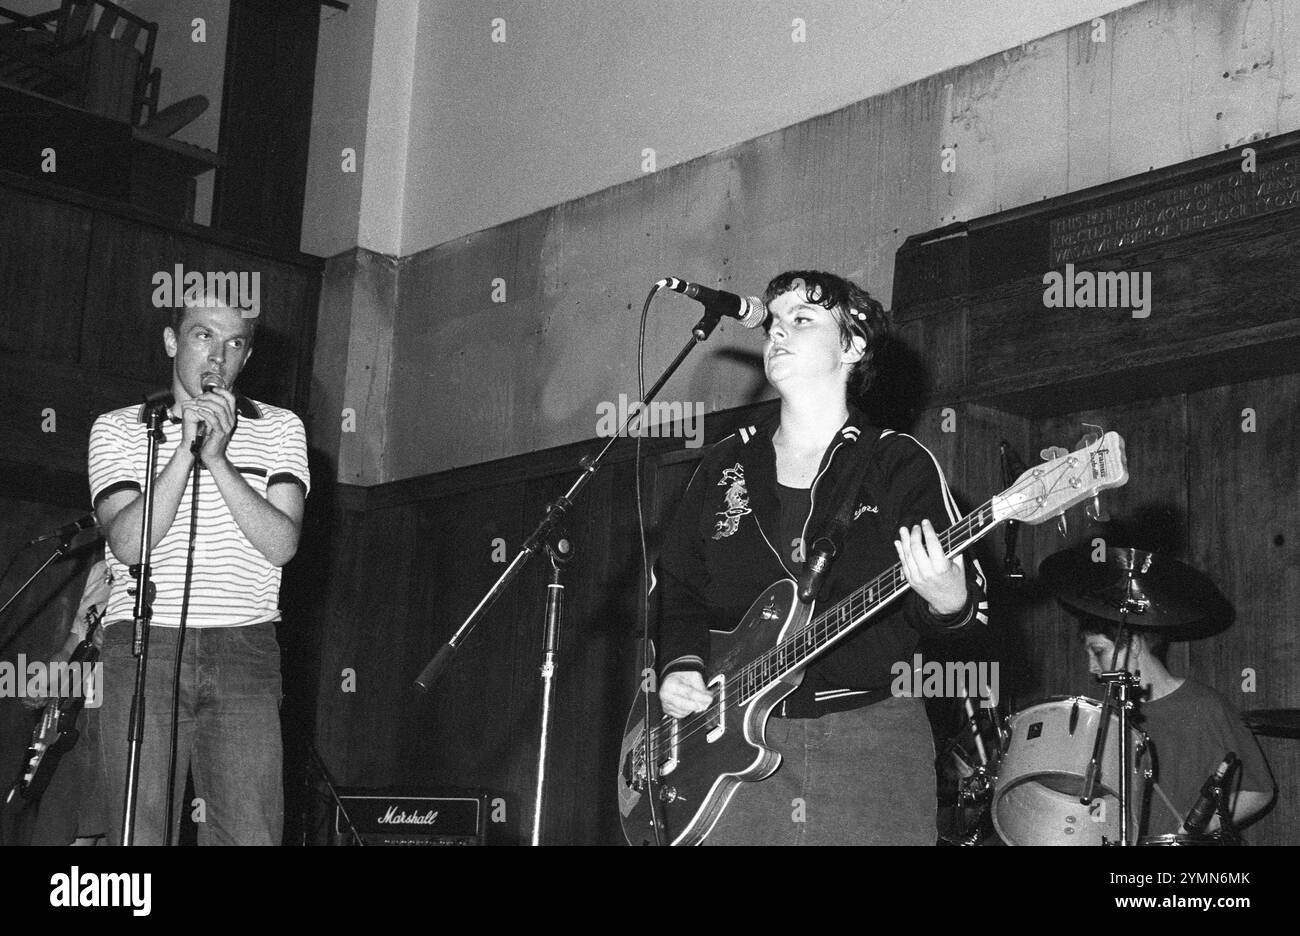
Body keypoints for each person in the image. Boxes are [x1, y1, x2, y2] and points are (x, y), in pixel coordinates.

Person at [655, 270, 988, 845]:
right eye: (774, 322)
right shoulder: (723, 464)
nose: (778, 333)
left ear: (854, 346)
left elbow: (969, 622)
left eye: (802, 320)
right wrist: (680, 664)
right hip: (727, 749)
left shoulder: (897, 464)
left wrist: (948, 598)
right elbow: (679, 586)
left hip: (870, 743)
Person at [88, 294, 309, 845]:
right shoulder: (119, 428)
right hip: (145, 647)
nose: (219, 357)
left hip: (246, 650)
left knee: (249, 834)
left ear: (247, 357)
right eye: (202, 335)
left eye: (235, 343)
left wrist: (218, 458)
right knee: (139, 833)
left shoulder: (280, 427)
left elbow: (282, 544)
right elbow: (130, 542)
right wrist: (186, 450)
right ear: (172, 341)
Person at [1079, 620, 1274, 839]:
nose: (1092, 668)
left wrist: (1203, 825)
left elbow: (1259, 791)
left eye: (1098, 651)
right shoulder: (1111, 715)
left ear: (1133, 645)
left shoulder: (1206, 706)